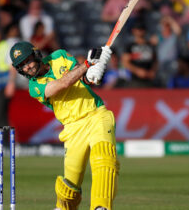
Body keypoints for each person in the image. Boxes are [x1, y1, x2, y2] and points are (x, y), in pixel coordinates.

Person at [9, 41, 118, 210]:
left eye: (28, 60)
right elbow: (61, 85)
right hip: (72, 128)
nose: (28, 67)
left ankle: (100, 206)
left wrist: (91, 74)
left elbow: (81, 78)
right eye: (22, 66)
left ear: (36, 54)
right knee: (69, 189)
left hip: (96, 114)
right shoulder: (34, 87)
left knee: (104, 159)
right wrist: (88, 64)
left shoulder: (59, 56)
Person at [122, 23, 158, 88]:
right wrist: (137, 71)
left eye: (142, 29)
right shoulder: (130, 46)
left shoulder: (150, 45)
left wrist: (153, 71)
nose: (140, 32)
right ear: (134, 31)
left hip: (149, 80)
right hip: (135, 80)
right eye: (138, 29)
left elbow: (155, 60)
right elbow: (125, 62)